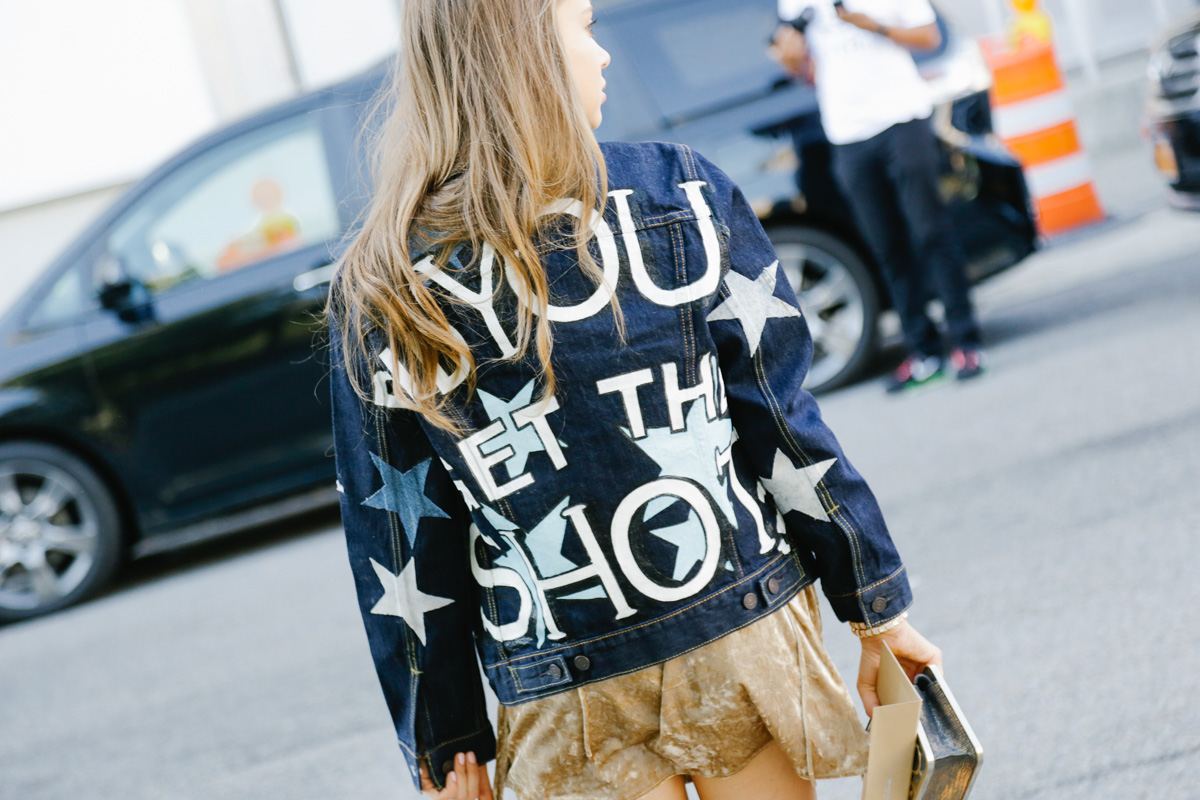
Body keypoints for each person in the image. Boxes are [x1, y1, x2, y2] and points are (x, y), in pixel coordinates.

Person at [324, 1, 942, 798]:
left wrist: (446, 741)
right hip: (732, 617)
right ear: (528, 51)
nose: (604, 55)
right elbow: (783, 427)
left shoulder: (384, 281)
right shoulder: (680, 193)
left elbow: (401, 533)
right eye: (583, 28)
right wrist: (876, 608)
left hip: (561, 674)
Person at [772, 0, 987, 391]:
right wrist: (790, 56)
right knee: (885, 244)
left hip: (901, 117)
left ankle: (965, 340)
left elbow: (930, 38)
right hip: (847, 131)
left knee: (929, 231)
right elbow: (805, 71)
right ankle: (923, 350)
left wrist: (873, 26)